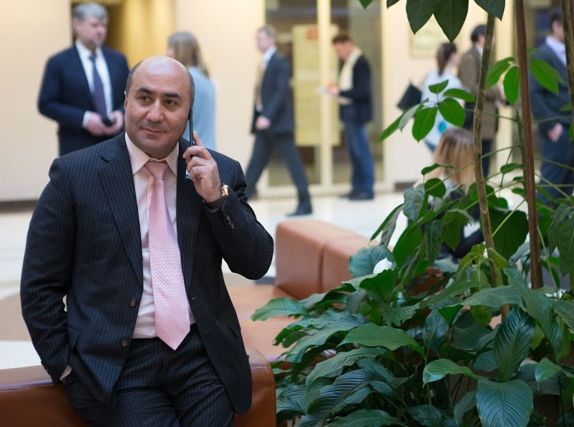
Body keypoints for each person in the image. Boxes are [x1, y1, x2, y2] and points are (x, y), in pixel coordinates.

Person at [21, 56, 274, 426]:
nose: (155, 114)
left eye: (171, 102)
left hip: (202, 356)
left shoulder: (218, 172)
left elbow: (256, 263)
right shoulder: (75, 176)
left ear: (188, 113)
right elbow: (39, 286)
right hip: (116, 365)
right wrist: (64, 366)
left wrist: (218, 200)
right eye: (144, 98)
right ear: (126, 101)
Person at [38, 2, 129, 156]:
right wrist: (85, 119)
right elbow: (46, 103)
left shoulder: (118, 59)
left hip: (114, 143)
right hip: (77, 146)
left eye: (104, 25)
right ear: (76, 25)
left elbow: (130, 95)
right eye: (94, 25)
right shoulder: (59, 62)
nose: (100, 30)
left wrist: (121, 113)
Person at [245, 26, 312, 216]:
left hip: (278, 125)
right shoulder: (263, 63)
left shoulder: (280, 62)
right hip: (264, 125)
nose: (257, 42)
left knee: (294, 165)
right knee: (254, 166)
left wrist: (267, 116)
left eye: (260, 38)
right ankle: (238, 204)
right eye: (256, 39)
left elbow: (281, 92)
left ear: (271, 39)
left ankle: (305, 203)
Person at [530, 7, 574, 205]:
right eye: (570, 26)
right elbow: (534, 93)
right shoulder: (543, 54)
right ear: (556, 26)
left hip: (570, 128)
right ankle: (538, 224)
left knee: (567, 186)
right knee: (550, 187)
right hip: (557, 129)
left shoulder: (568, 53)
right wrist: (551, 126)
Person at [327, 33, 375, 201]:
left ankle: (367, 189)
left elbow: (362, 91)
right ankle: (356, 188)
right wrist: (338, 89)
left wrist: (339, 92)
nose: (338, 54)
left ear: (348, 44)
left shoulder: (360, 62)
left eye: (339, 50)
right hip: (349, 112)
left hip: (356, 113)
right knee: (354, 153)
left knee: (361, 152)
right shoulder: (349, 63)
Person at [426, 128, 483, 260]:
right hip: (442, 267)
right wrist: (486, 231)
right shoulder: (452, 195)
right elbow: (456, 250)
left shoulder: (429, 186)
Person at [458, 25, 504, 177]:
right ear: (480, 37)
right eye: (492, 36)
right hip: (477, 119)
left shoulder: (483, 57)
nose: (495, 41)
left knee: (485, 164)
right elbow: (470, 87)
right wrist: (496, 91)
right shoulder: (470, 58)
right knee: (476, 166)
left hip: (487, 120)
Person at [167, 31, 217, 151]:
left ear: (180, 50)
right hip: (207, 148)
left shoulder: (185, 78)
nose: (166, 53)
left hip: (191, 150)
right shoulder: (205, 78)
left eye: (169, 48)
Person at [421, 42, 463, 152]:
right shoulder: (454, 82)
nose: (459, 57)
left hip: (428, 134)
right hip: (445, 136)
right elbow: (457, 114)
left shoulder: (429, 75)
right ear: (453, 56)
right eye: (458, 54)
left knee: (437, 162)